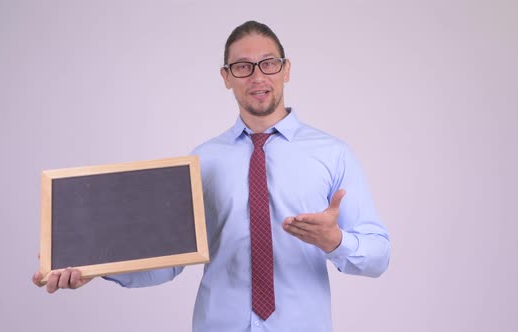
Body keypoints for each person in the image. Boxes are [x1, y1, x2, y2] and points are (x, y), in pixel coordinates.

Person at [33, 20, 391, 332]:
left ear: (286, 69)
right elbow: (167, 264)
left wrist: (335, 241)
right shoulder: (201, 161)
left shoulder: (333, 154)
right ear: (225, 77)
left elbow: (378, 256)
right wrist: (97, 265)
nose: (257, 77)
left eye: (268, 64)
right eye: (242, 67)